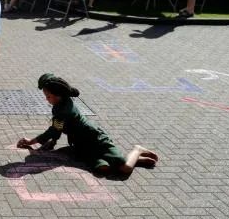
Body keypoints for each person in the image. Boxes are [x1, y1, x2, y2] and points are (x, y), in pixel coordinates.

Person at [17, 74, 159, 176]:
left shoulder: (63, 110)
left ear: (58, 95)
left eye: (48, 96)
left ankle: (136, 150)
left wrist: (32, 141)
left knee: (125, 168)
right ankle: (134, 160)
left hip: (95, 139)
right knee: (102, 169)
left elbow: (53, 129)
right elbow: (57, 129)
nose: (46, 99)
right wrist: (53, 141)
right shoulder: (62, 103)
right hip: (82, 145)